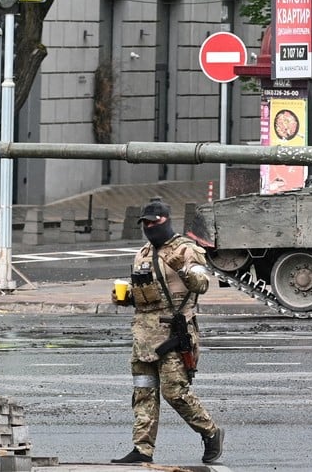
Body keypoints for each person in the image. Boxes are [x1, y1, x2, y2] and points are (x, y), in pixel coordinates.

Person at [112, 198, 224, 465]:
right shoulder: (142, 253)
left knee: (175, 392)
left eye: (154, 221)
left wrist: (182, 269)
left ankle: (210, 431)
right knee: (143, 393)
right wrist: (124, 297)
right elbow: (141, 292)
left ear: (166, 219)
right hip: (143, 338)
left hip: (173, 333)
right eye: (146, 222)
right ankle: (142, 449)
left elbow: (202, 284)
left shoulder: (186, 250)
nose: (150, 226)